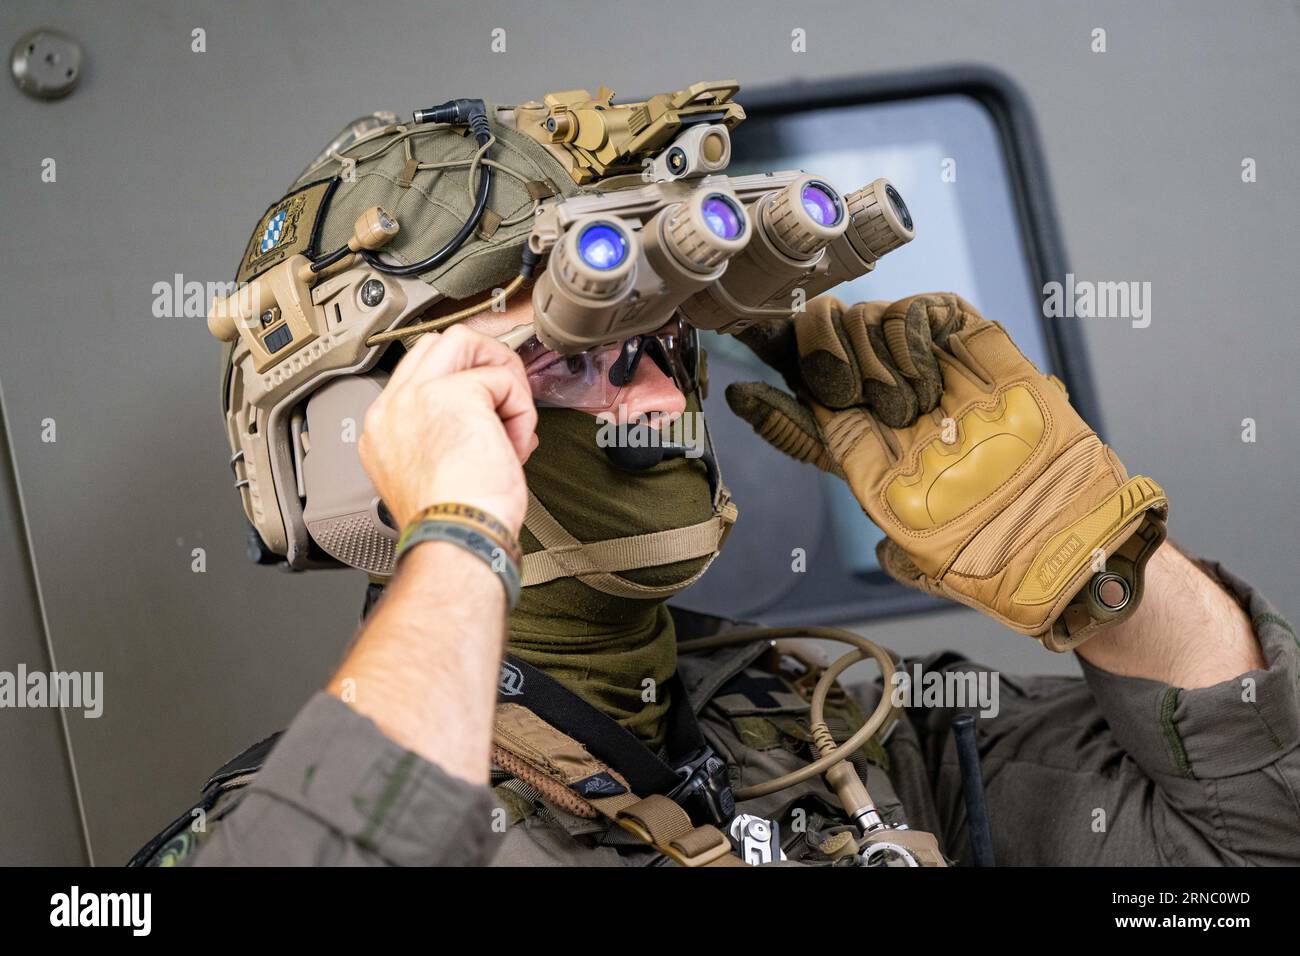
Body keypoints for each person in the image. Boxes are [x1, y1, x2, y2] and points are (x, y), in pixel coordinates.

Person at [131, 88, 1300, 867]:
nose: (657, 406)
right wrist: (454, 527)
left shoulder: (836, 730)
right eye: (573, 357)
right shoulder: (285, 821)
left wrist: (1100, 570)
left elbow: (1245, 849)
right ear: (371, 433)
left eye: (663, 343)